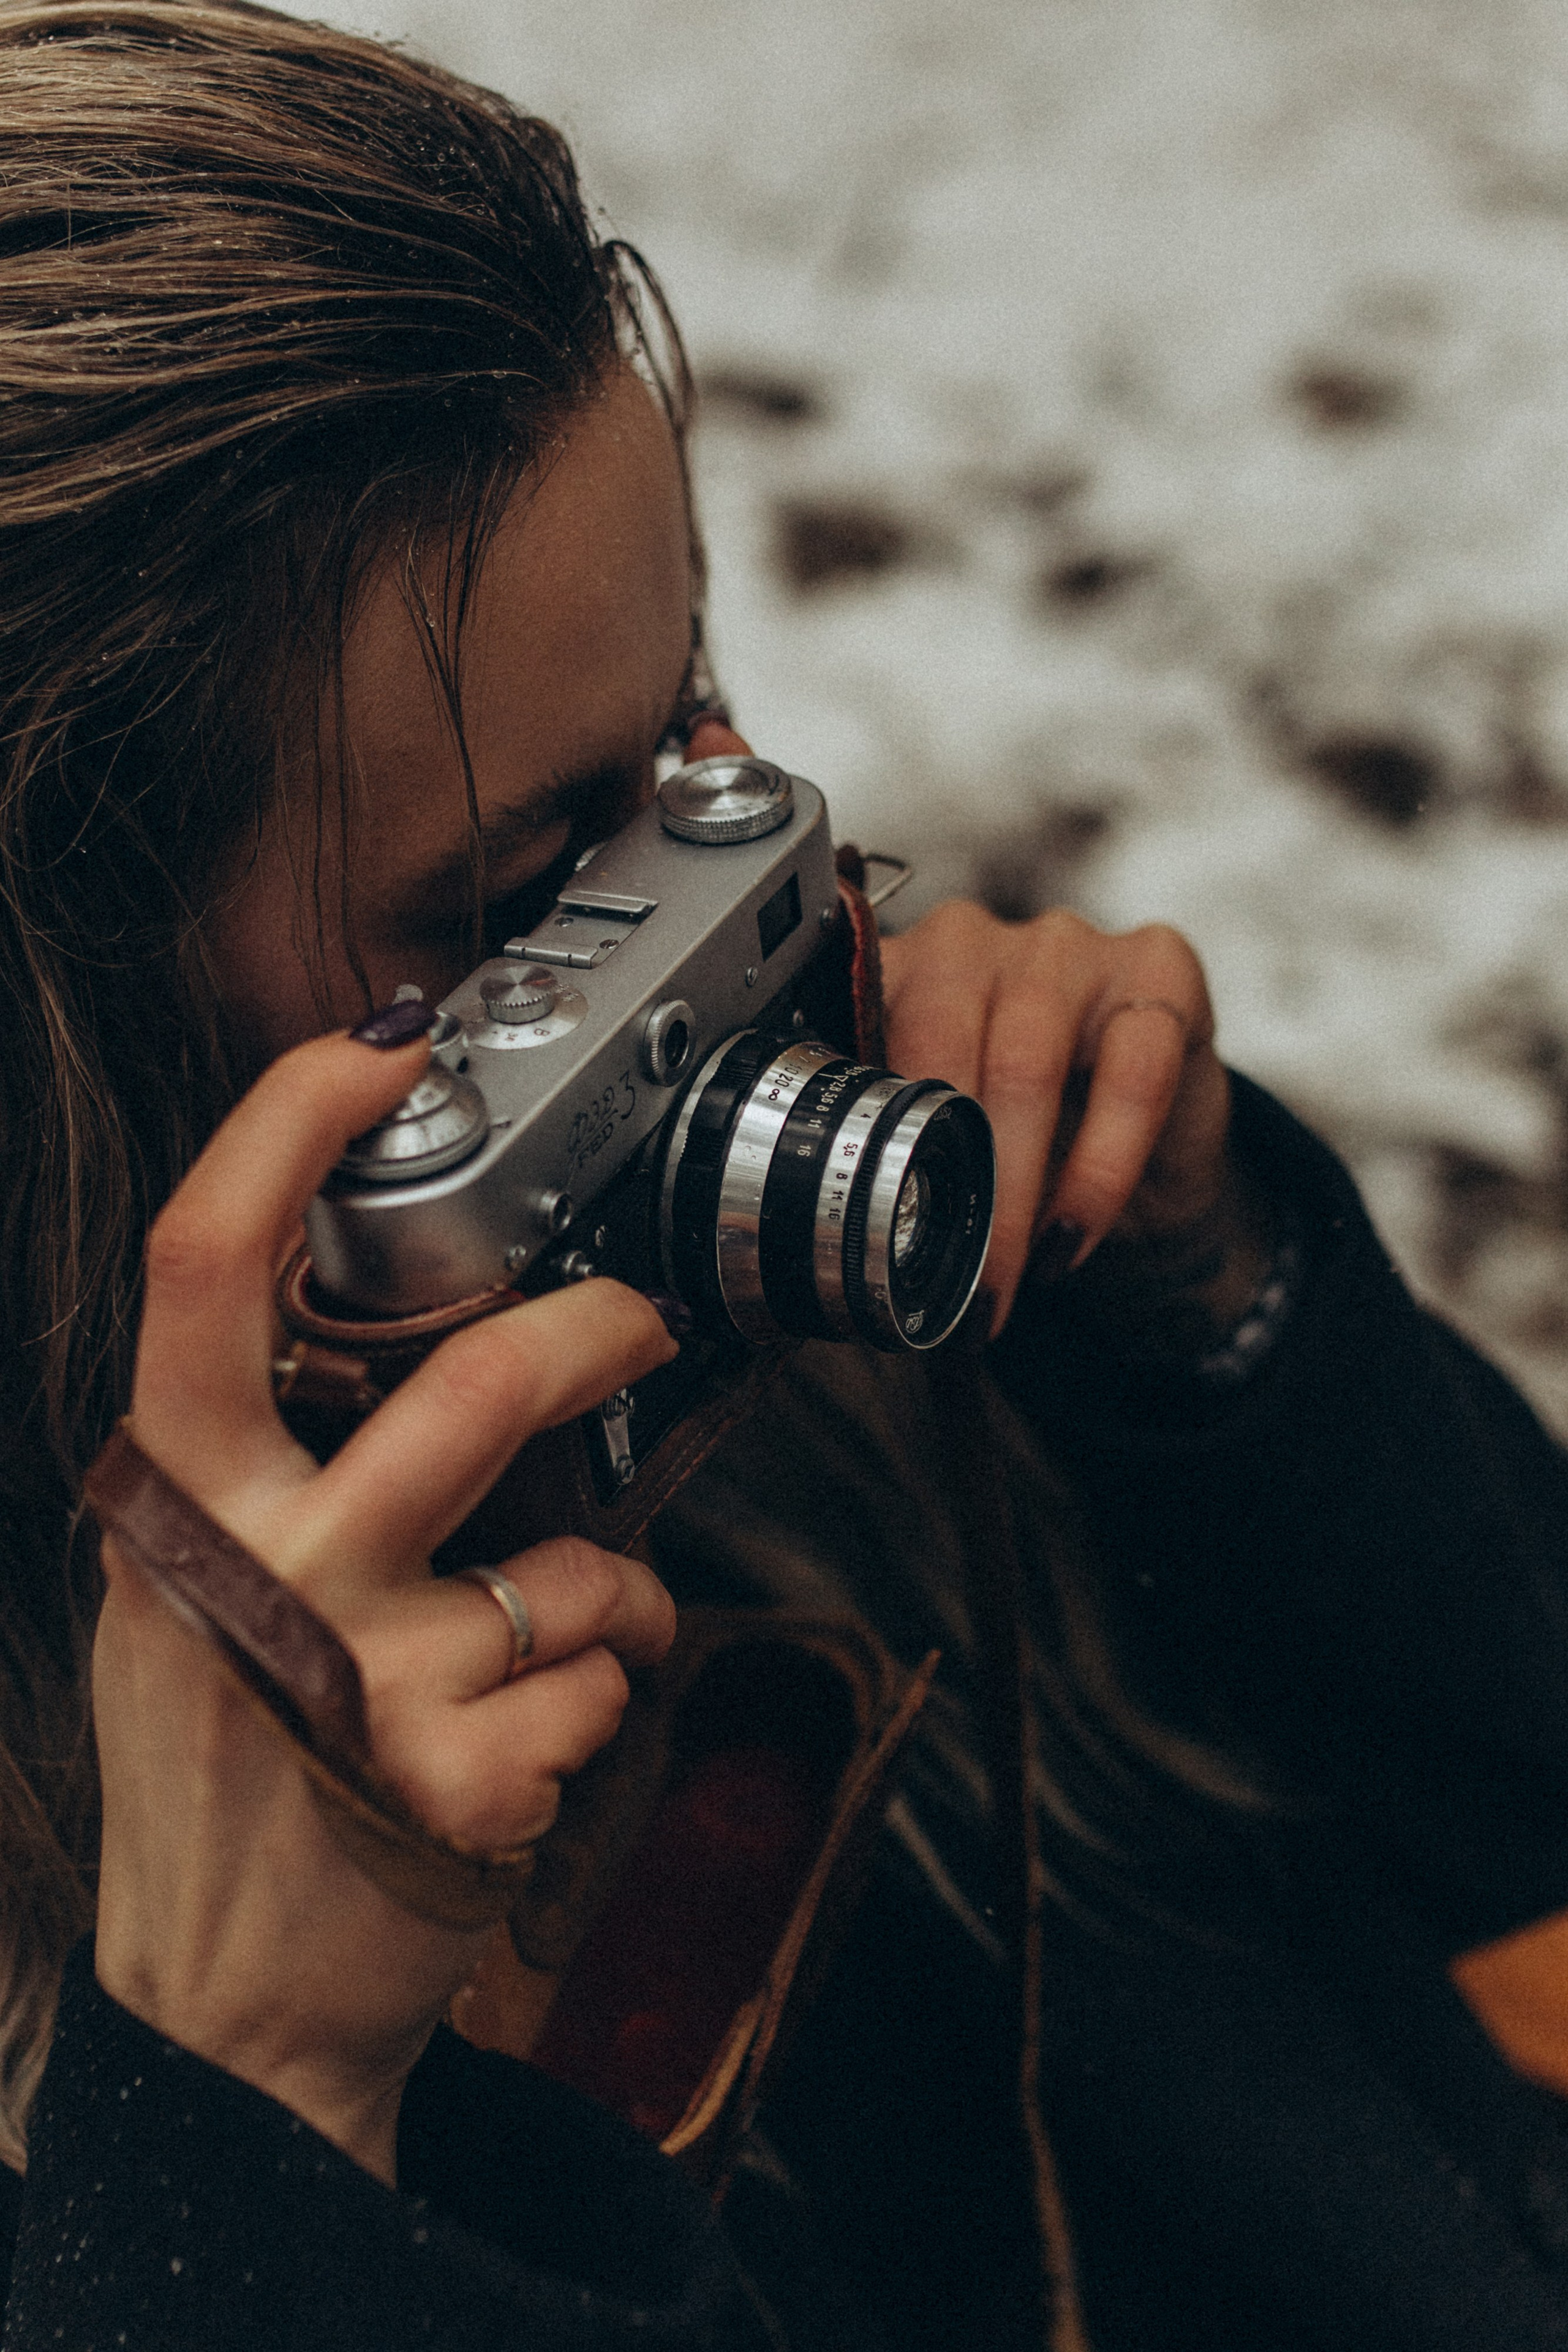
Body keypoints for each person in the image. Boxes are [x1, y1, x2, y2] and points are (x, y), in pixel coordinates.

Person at [2, 7, 1568, 2350]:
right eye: (535, 902)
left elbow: (1506, 1790)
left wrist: (1205, 1315)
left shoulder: (789, 1364)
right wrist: (249, 2116)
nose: (688, 961)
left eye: (692, 757)